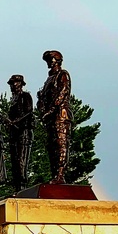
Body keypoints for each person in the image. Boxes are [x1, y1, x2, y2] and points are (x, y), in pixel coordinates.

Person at [36, 50, 74, 184]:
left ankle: (60, 175)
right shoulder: (48, 80)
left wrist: (52, 108)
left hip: (61, 115)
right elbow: (43, 100)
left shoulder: (63, 75)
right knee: (52, 146)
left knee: (61, 144)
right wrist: (41, 104)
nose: (48, 63)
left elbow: (63, 92)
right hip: (50, 118)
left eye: (50, 60)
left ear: (57, 60)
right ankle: (55, 175)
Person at [6, 74, 34, 192]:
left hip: (24, 132)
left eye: (15, 83)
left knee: (21, 161)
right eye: (11, 83)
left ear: (20, 84)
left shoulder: (25, 96)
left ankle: (22, 185)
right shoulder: (13, 100)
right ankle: (17, 186)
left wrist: (17, 121)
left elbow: (29, 111)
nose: (12, 85)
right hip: (14, 134)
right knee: (14, 161)